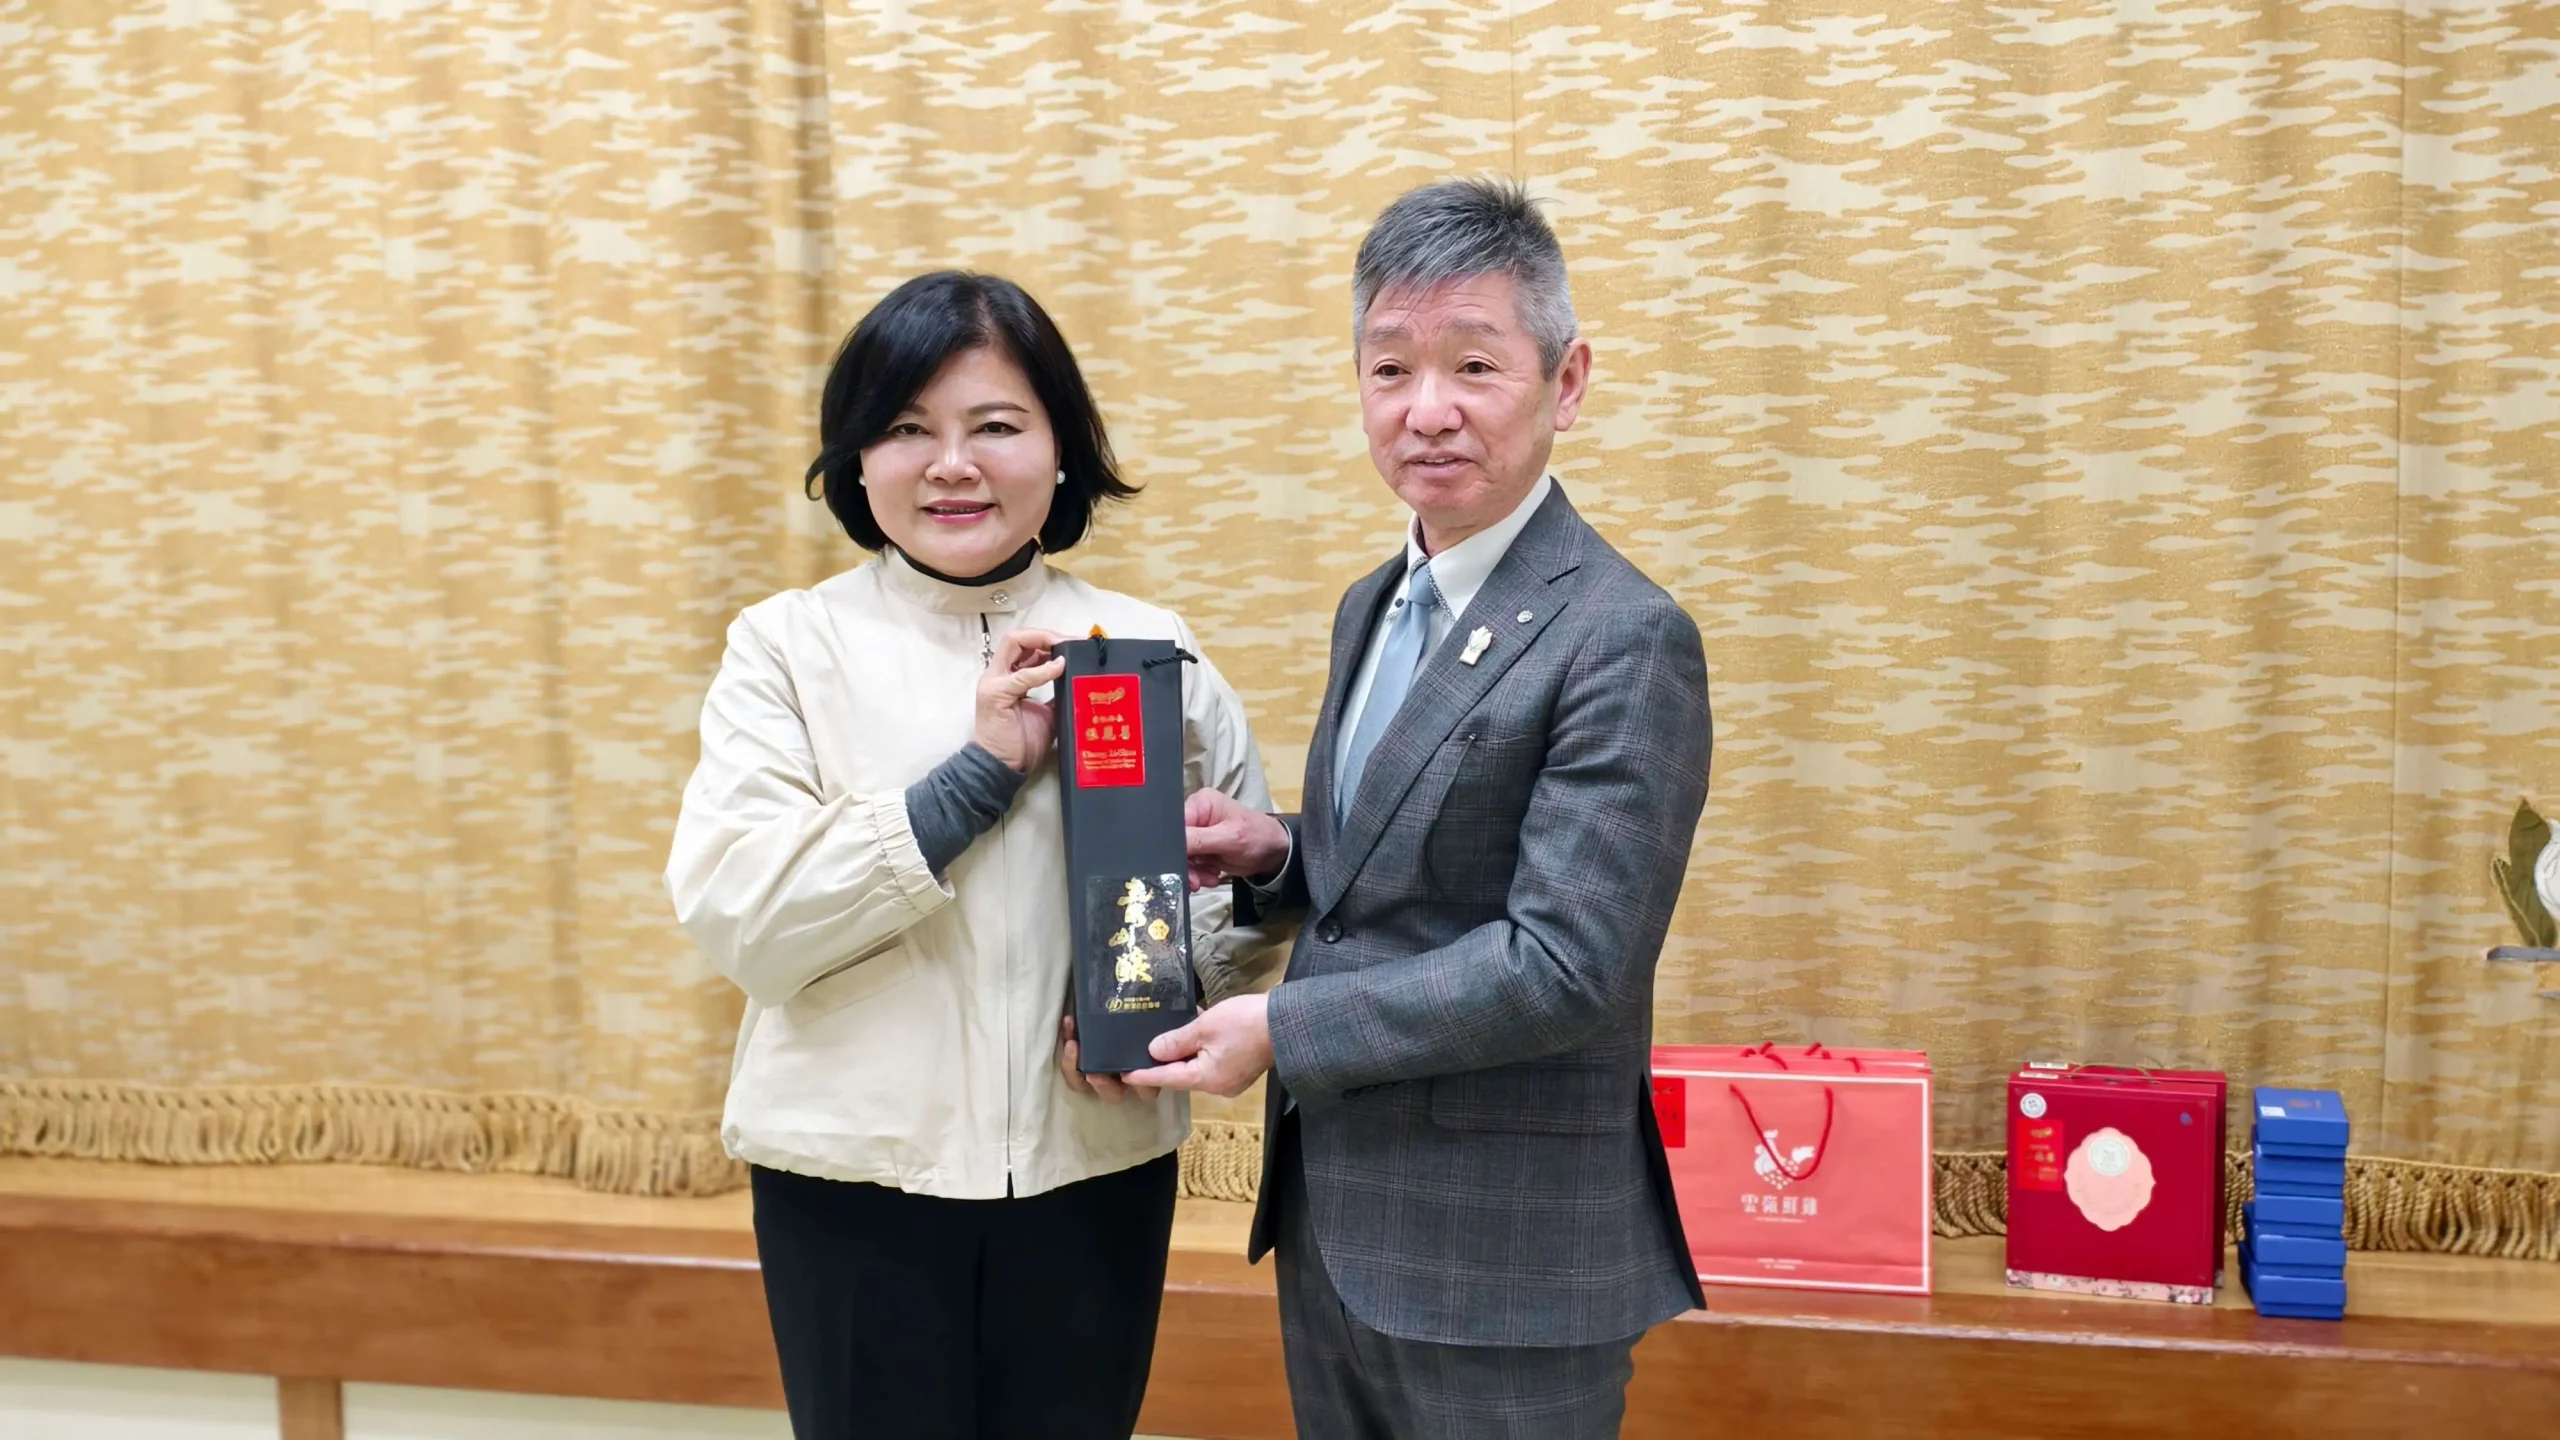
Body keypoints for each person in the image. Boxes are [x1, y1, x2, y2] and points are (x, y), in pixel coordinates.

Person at [1128, 178, 1713, 1438]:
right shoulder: (1372, 603)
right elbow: (1399, 869)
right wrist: (1277, 854)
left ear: (1565, 383)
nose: (1426, 409)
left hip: (1506, 1260)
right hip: (1334, 1226)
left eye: (1474, 365)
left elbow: (1565, 966)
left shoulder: (1623, 635)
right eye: (1390, 367)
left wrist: (1279, 1026)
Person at [664, 271, 1277, 1440]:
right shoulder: (787, 648)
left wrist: (1159, 998)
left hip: (1093, 1168)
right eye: (906, 429)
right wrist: (976, 777)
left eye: (995, 425)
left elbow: (1239, 881)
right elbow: (745, 917)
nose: (952, 465)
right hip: (852, 1179)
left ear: (1060, 449)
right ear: (856, 461)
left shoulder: (1145, 646)